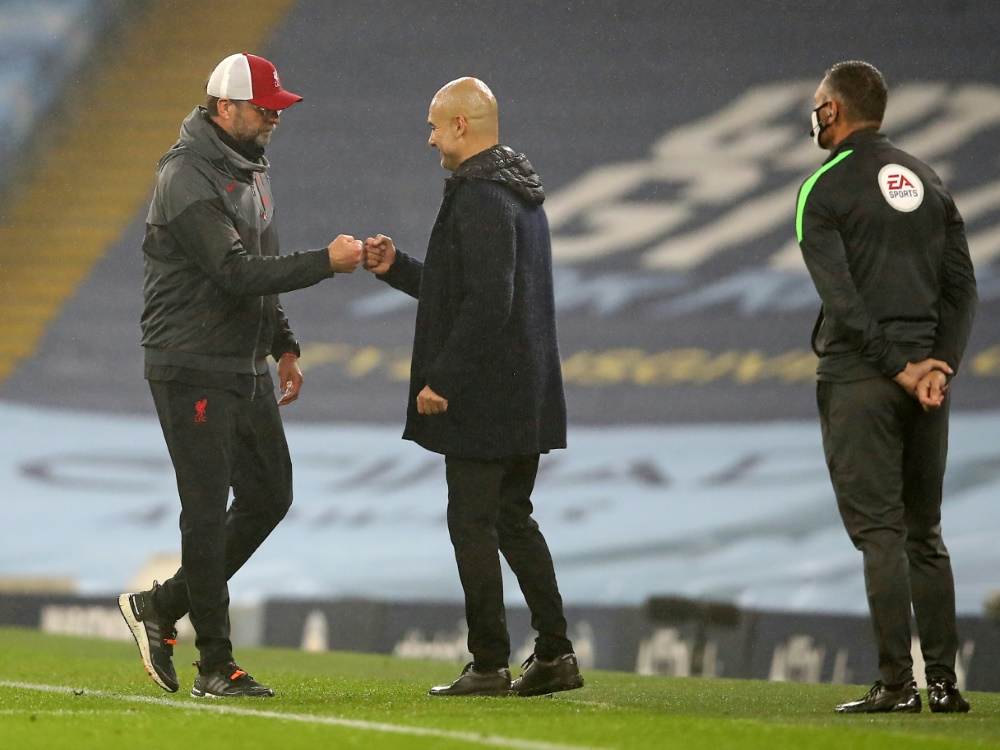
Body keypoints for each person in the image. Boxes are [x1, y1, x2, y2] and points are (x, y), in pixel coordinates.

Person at [118, 52, 362, 698]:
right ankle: (215, 666)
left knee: (270, 493)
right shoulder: (186, 176)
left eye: (277, 108)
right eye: (264, 108)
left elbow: (258, 262)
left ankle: (163, 606)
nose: (274, 118)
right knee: (203, 512)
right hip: (192, 362)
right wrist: (327, 264)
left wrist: (283, 343)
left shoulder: (248, 170)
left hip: (241, 361)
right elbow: (234, 274)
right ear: (224, 108)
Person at [363, 77, 584, 697]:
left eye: (435, 124)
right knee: (514, 519)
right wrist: (398, 268)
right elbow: (469, 287)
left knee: (474, 525)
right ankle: (556, 654)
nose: (429, 136)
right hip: (524, 390)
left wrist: (444, 378)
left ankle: (488, 663)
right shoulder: (517, 192)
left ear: (463, 125)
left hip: (487, 395)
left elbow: (489, 300)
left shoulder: (481, 195)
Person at [796, 61, 977, 714]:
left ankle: (896, 684)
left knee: (881, 535)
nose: (813, 114)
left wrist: (898, 366)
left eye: (818, 104)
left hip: (859, 380)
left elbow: (841, 302)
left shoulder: (822, 190)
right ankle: (945, 684)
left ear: (834, 112)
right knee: (924, 533)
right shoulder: (928, 181)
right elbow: (962, 288)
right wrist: (938, 365)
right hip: (927, 385)